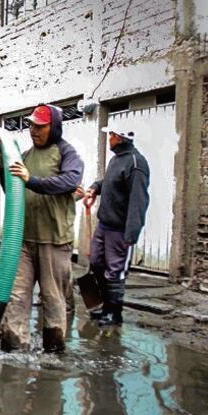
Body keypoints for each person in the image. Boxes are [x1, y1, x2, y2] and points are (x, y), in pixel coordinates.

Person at [0, 104, 84, 353]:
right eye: (32, 125)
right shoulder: (25, 156)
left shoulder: (67, 154)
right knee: (16, 296)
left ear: (54, 126)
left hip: (54, 240)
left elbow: (70, 180)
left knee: (53, 298)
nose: (33, 130)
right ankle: (14, 347)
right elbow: (12, 189)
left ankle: (53, 351)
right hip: (23, 240)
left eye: (40, 126)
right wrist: (1, 163)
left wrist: (31, 180)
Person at [83, 122, 150, 326]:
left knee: (115, 270)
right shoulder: (116, 160)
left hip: (120, 230)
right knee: (96, 263)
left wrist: (131, 234)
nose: (108, 138)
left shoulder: (136, 164)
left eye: (110, 134)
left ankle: (114, 313)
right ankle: (104, 306)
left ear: (119, 137)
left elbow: (139, 200)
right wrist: (95, 187)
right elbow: (109, 182)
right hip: (104, 225)